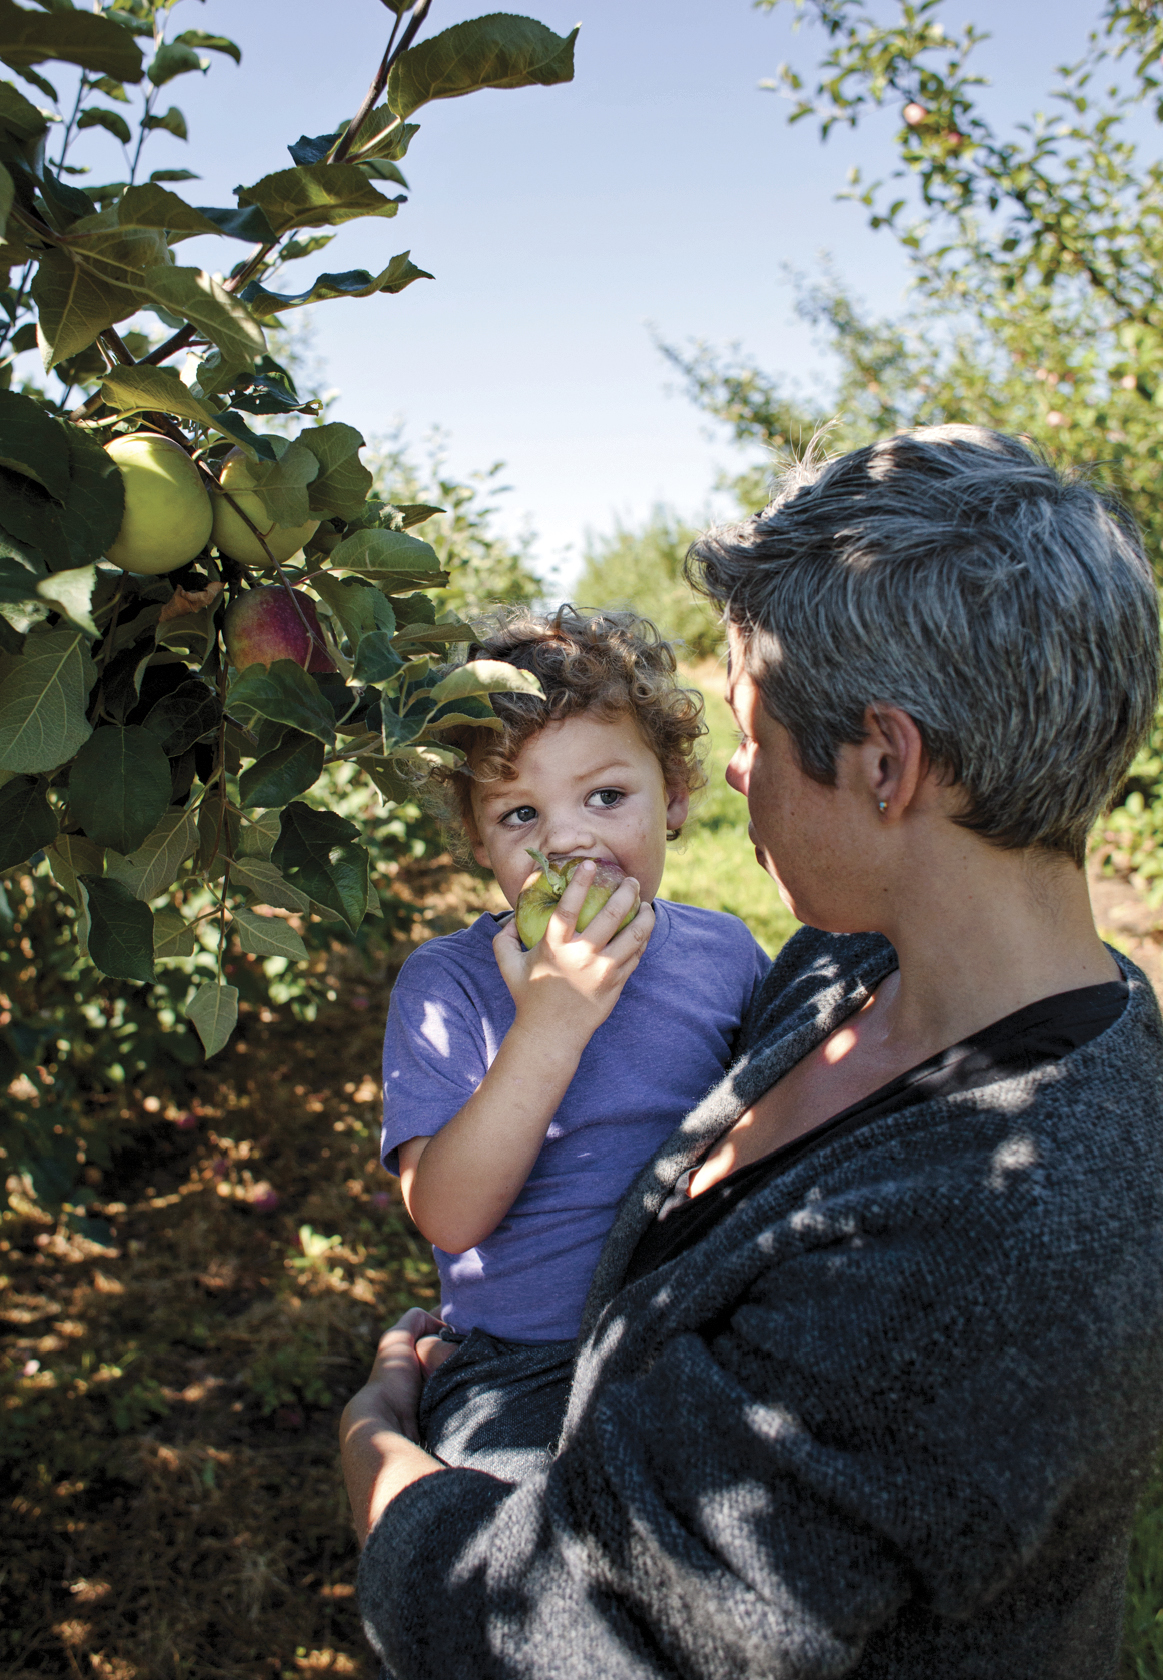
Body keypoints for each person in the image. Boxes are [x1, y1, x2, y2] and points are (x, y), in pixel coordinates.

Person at [344, 426, 1163, 1679]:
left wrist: (381, 1468)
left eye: (753, 731)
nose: (728, 772)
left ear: (881, 763)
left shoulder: (999, 1239)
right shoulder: (840, 980)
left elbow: (568, 1636)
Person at [378, 607, 770, 1475]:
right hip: (523, 1367)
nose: (566, 838)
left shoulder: (727, 955)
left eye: (605, 796)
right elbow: (446, 1215)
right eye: (518, 812)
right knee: (524, 1550)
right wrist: (551, 1022)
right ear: (477, 837)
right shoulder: (448, 986)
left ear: (672, 795)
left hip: (692, 1329)